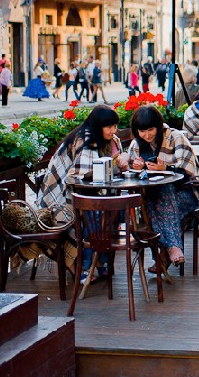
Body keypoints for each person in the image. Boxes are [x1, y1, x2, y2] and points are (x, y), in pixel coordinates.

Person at [38, 105, 130, 282]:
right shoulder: (85, 139)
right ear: (98, 125)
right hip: (61, 195)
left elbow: (113, 161)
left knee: (113, 211)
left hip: (87, 192)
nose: (113, 131)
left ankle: (99, 260)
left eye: (115, 126)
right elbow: (80, 173)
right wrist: (116, 164)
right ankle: (85, 265)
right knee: (93, 216)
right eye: (109, 127)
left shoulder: (109, 139)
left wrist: (122, 161)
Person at [127, 105, 199, 268]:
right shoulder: (136, 145)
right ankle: (171, 250)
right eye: (142, 131)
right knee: (153, 201)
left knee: (155, 202)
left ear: (158, 126)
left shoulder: (175, 137)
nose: (147, 135)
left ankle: (165, 253)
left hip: (186, 193)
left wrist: (166, 168)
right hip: (157, 197)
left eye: (151, 129)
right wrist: (136, 168)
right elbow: (131, 172)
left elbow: (188, 172)